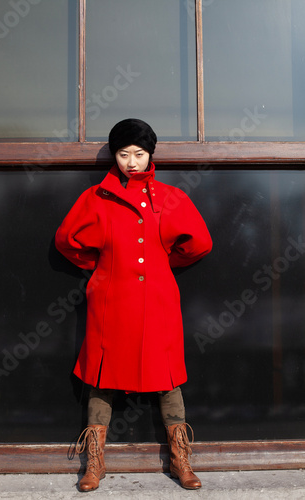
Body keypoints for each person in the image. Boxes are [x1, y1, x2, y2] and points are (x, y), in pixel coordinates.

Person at [55, 118, 212, 492]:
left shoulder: (171, 197)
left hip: (158, 300)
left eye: (139, 154)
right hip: (111, 300)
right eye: (124, 154)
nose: (131, 161)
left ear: (150, 154)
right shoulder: (96, 198)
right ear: (115, 155)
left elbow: (201, 243)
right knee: (101, 376)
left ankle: (180, 459)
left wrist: (164, 263)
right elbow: (66, 240)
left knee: (168, 376)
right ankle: (94, 464)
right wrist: (101, 265)